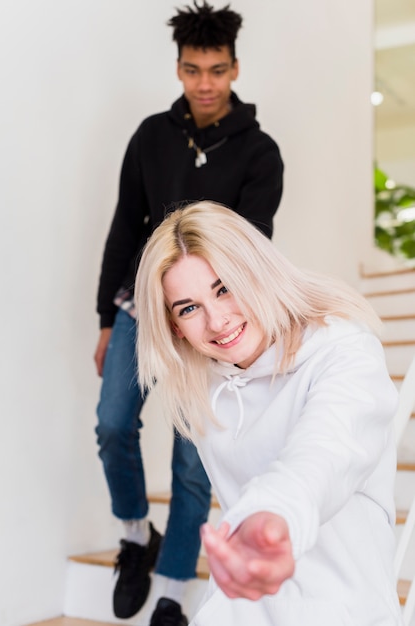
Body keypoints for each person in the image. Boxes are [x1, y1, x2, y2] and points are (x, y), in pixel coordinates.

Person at [94, 1, 284, 624]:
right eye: (192, 69)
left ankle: (173, 587)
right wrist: (105, 317)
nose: (205, 83)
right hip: (139, 305)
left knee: (191, 460)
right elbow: (127, 223)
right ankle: (133, 535)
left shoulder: (260, 152)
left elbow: (251, 252)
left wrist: (234, 334)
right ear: (178, 69)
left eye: (217, 70)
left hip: (207, 322)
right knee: (114, 425)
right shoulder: (151, 135)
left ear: (235, 69)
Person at [134, 201, 403, 626]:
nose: (217, 321)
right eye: (188, 308)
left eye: (224, 288)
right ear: (173, 325)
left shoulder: (343, 350)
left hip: (343, 608)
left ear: (255, 271)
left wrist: (271, 520)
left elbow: (325, 451)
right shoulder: (202, 382)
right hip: (239, 607)